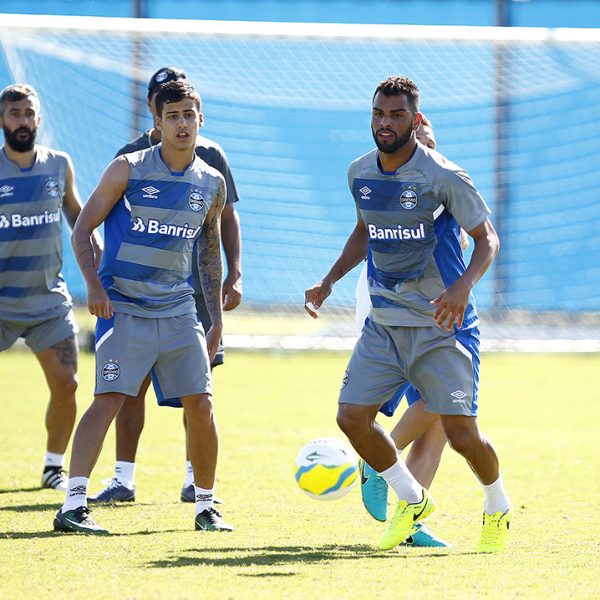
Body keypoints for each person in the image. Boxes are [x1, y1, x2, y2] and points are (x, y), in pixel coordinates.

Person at [305, 76, 510, 553]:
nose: (386, 123)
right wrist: (330, 278)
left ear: (415, 121)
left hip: (442, 325)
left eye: (397, 115)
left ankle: (497, 506)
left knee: (462, 435)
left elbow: (488, 238)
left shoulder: (445, 176)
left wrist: (462, 287)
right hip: (386, 321)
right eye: (379, 113)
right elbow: (364, 230)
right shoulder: (360, 172)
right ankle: (411, 498)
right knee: (352, 417)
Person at [53, 80, 233, 534]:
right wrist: (94, 286)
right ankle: (73, 505)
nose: (182, 124)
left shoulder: (211, 183)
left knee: (201, 403)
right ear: (158, 123)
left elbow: (209, 255)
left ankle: (206, 507)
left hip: (178, 312)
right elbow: (81, 231)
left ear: (201, 119)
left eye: (189, 115)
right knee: (109, 399)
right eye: (172, 116)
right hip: (124, 309)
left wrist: (216, 322)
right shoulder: (127, 170)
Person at [0, 84, 102, 491]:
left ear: (38, 119)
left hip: (47, 302)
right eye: (14, 114)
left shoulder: (59, 165)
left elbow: (79, 216)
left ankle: (53, 468)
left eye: (29, 114)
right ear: (2, 120)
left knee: (68, 386)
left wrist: (99, 251)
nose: (22, 121)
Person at [354, 114, 449, 548]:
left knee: (445, 416)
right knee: (439, 402)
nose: (424, 151)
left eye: (430, 143)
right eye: (419, 142)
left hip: (434, 309)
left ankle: (410, 520)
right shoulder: (388, 179)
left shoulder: (445, 181)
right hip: (389, 306)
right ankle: (378, 459)